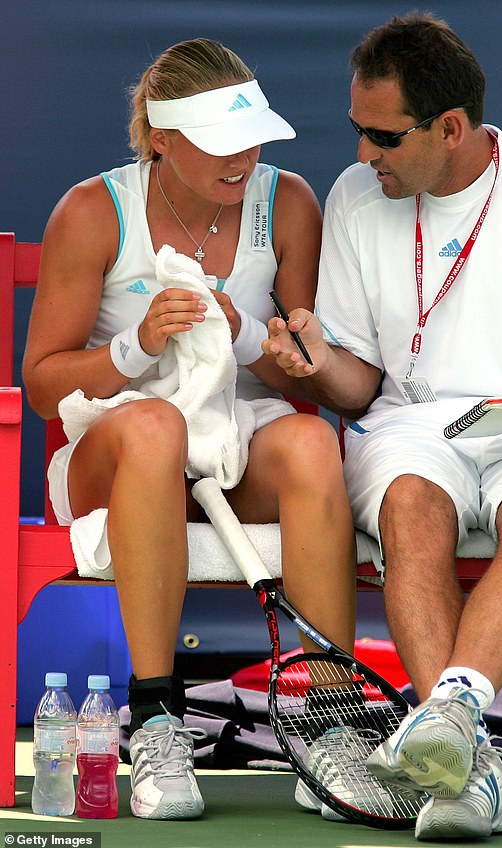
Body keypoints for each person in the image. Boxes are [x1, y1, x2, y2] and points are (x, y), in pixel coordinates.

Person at [264, 11, 502, 841]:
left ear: (453, 127)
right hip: (409, 429)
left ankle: (455, 723)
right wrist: (318, 364)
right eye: (357, 131)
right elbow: (359, 389)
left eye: (383, 137)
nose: (364, 155)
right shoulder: (356, 198)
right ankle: (471, 762)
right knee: (410, 508)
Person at [22, 38, 359, 822]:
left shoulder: (290, 203)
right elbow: (44, 387)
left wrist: (248, 335)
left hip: (236, 439)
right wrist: (134, 346)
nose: (242, 157)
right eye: (216, 142)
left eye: (251, 137)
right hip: (115, 446)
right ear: (162, 138)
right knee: (154, 427)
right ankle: (157, 719)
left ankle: (336, 725)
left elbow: (299, 366)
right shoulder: (90, 209)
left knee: (312, 443)